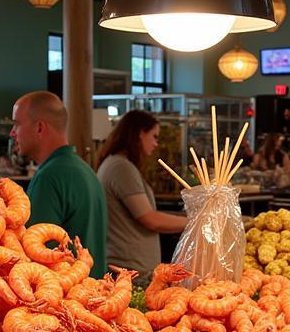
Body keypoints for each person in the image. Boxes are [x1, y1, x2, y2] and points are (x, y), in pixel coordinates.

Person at [11, 90, 107, 278]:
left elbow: (34, 253)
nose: (12, 133)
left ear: (39, 128)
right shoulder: (84, 170)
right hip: (93, 291)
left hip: (67, 296)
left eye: (16, 124)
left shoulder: (50, 177)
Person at [97, 110, 187, 285]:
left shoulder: (117, 164)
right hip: (131, 270)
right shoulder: (121, 168)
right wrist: (195, 223)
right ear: (140, 134)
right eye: (154, 136)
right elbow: (150, 218)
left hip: (132, 268)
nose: (155, 144)